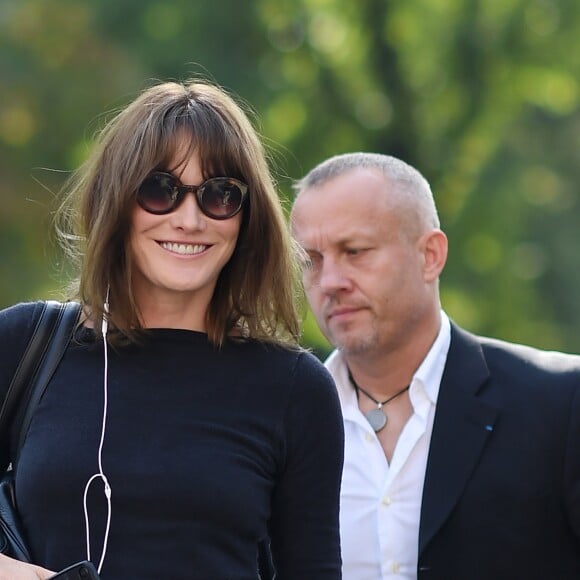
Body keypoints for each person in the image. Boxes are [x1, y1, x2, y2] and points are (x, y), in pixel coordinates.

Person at [0, 80, 344, 579]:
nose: (189, 219)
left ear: (247, 219)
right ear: (115, 202)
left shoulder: (296, 389)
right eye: (160, 190)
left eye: (219, 195)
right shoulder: (25, 345)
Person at [290, 151, 580, 580]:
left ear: (430, 255)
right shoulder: (280, 419)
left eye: (355, 251)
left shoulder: (559, 402)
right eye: (311, 260)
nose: (330, 281)